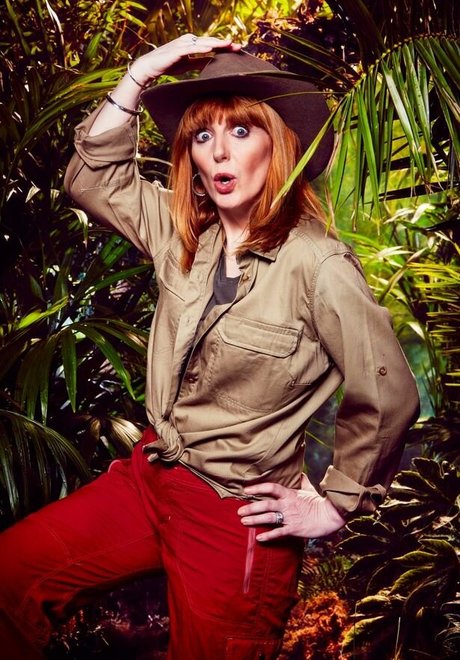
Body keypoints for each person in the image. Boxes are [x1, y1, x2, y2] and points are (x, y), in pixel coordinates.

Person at [0, 34, 419, 659]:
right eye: (202, 135)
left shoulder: (318, 264)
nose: (219, 151)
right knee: (11, 575)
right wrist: (140, 74)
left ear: (279, 144)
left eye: (241, 132)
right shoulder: (180, 234)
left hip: (235, 515)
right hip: (152, 478)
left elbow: (388, 392)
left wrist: (337, 503)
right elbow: (91, 178)